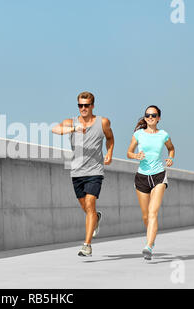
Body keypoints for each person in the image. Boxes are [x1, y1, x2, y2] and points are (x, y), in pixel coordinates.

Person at [52, 91, 114, 257]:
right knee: (87, 208)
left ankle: (87, 245)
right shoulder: (70, 122)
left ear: (92, 106)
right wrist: (74, 128)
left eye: (87, 105)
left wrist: (109, 152)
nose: (83, 108)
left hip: (95, 171)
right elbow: (55, 129)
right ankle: (96, 217)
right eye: (80, 105)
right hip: (77, 172)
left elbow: (110, 138)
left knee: (90, 203)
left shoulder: (103, 122)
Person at [126, 105, 175, 260]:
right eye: (148, 115)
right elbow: (129, 152)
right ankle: (151, 241)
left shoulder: (163, 135)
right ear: (145, 117)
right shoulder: (138, 134)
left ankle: (148, 245)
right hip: (141, 177)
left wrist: (170, 158)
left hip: (159, 175)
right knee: (146, 216)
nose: (150, 118)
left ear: (159, 117)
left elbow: (171, 149)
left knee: (153, 212)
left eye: (153, 115)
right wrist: (136, 156)